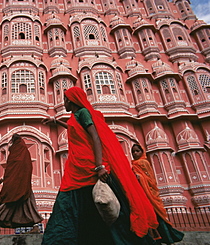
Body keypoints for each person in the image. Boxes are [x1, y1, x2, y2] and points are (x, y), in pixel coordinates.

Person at [41, 86, 159, 245]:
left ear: (71, 100)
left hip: (89, 167)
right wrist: (57, 121)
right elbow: (76, 129)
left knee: (92, 202)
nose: (63, 103)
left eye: (65, 99)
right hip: (77, 167)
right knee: (78, 203)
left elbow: (95, 137)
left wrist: (99, 166)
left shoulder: (83, 113)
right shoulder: (75, 116)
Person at [0, 133, 43, 235]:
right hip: (23, 185)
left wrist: (7, 181)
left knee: (8, 203)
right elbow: (14, 170)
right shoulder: (23, 153)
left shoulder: (17, 153)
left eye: (12, 142)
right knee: (27, 207)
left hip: (17, 186)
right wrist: (3, 179)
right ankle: (35, 227)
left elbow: (15, 170)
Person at [131, 144, 184, 245]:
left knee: (155, 216)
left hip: (149, 193)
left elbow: (150, 180)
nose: (135, 153)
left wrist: (139, 177)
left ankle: (164, 238)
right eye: (133, 152)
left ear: (142, 152)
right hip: (142, 193)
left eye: (137, 151)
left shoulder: (143, 163)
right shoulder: (134, 164)